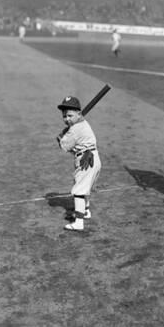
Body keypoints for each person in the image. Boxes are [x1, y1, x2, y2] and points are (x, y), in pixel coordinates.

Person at [56, 96, 101, 231]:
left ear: (79, 114)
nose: (67, 119)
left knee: (79, 191)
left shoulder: (75, 129)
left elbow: (65, 146)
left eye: (70, 115)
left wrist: (60, 139)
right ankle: (86, 211)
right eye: (64, 116)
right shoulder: (83, 123)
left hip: (86, 160)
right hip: (93, 158)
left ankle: (79, 223)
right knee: (84, 186)